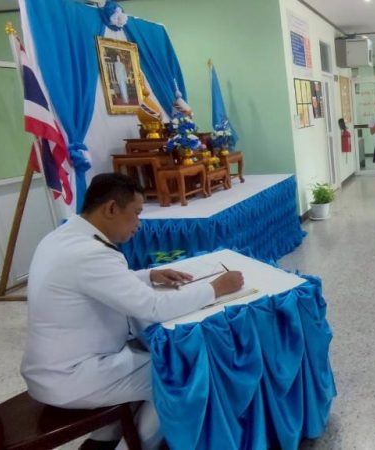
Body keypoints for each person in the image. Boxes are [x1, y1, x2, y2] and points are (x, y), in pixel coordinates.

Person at [21, 173, 245, 449]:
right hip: (70, 377)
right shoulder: (90, 253)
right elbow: (153, 307)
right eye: (136, 213)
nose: (139, 223)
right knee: (179, 375)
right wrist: (216, 288)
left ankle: (106, 438)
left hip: (52, 367)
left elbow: (96, 282)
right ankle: (135, 445)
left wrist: (149, 275)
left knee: (151, 356)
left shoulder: (63, 237)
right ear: (111, 208)